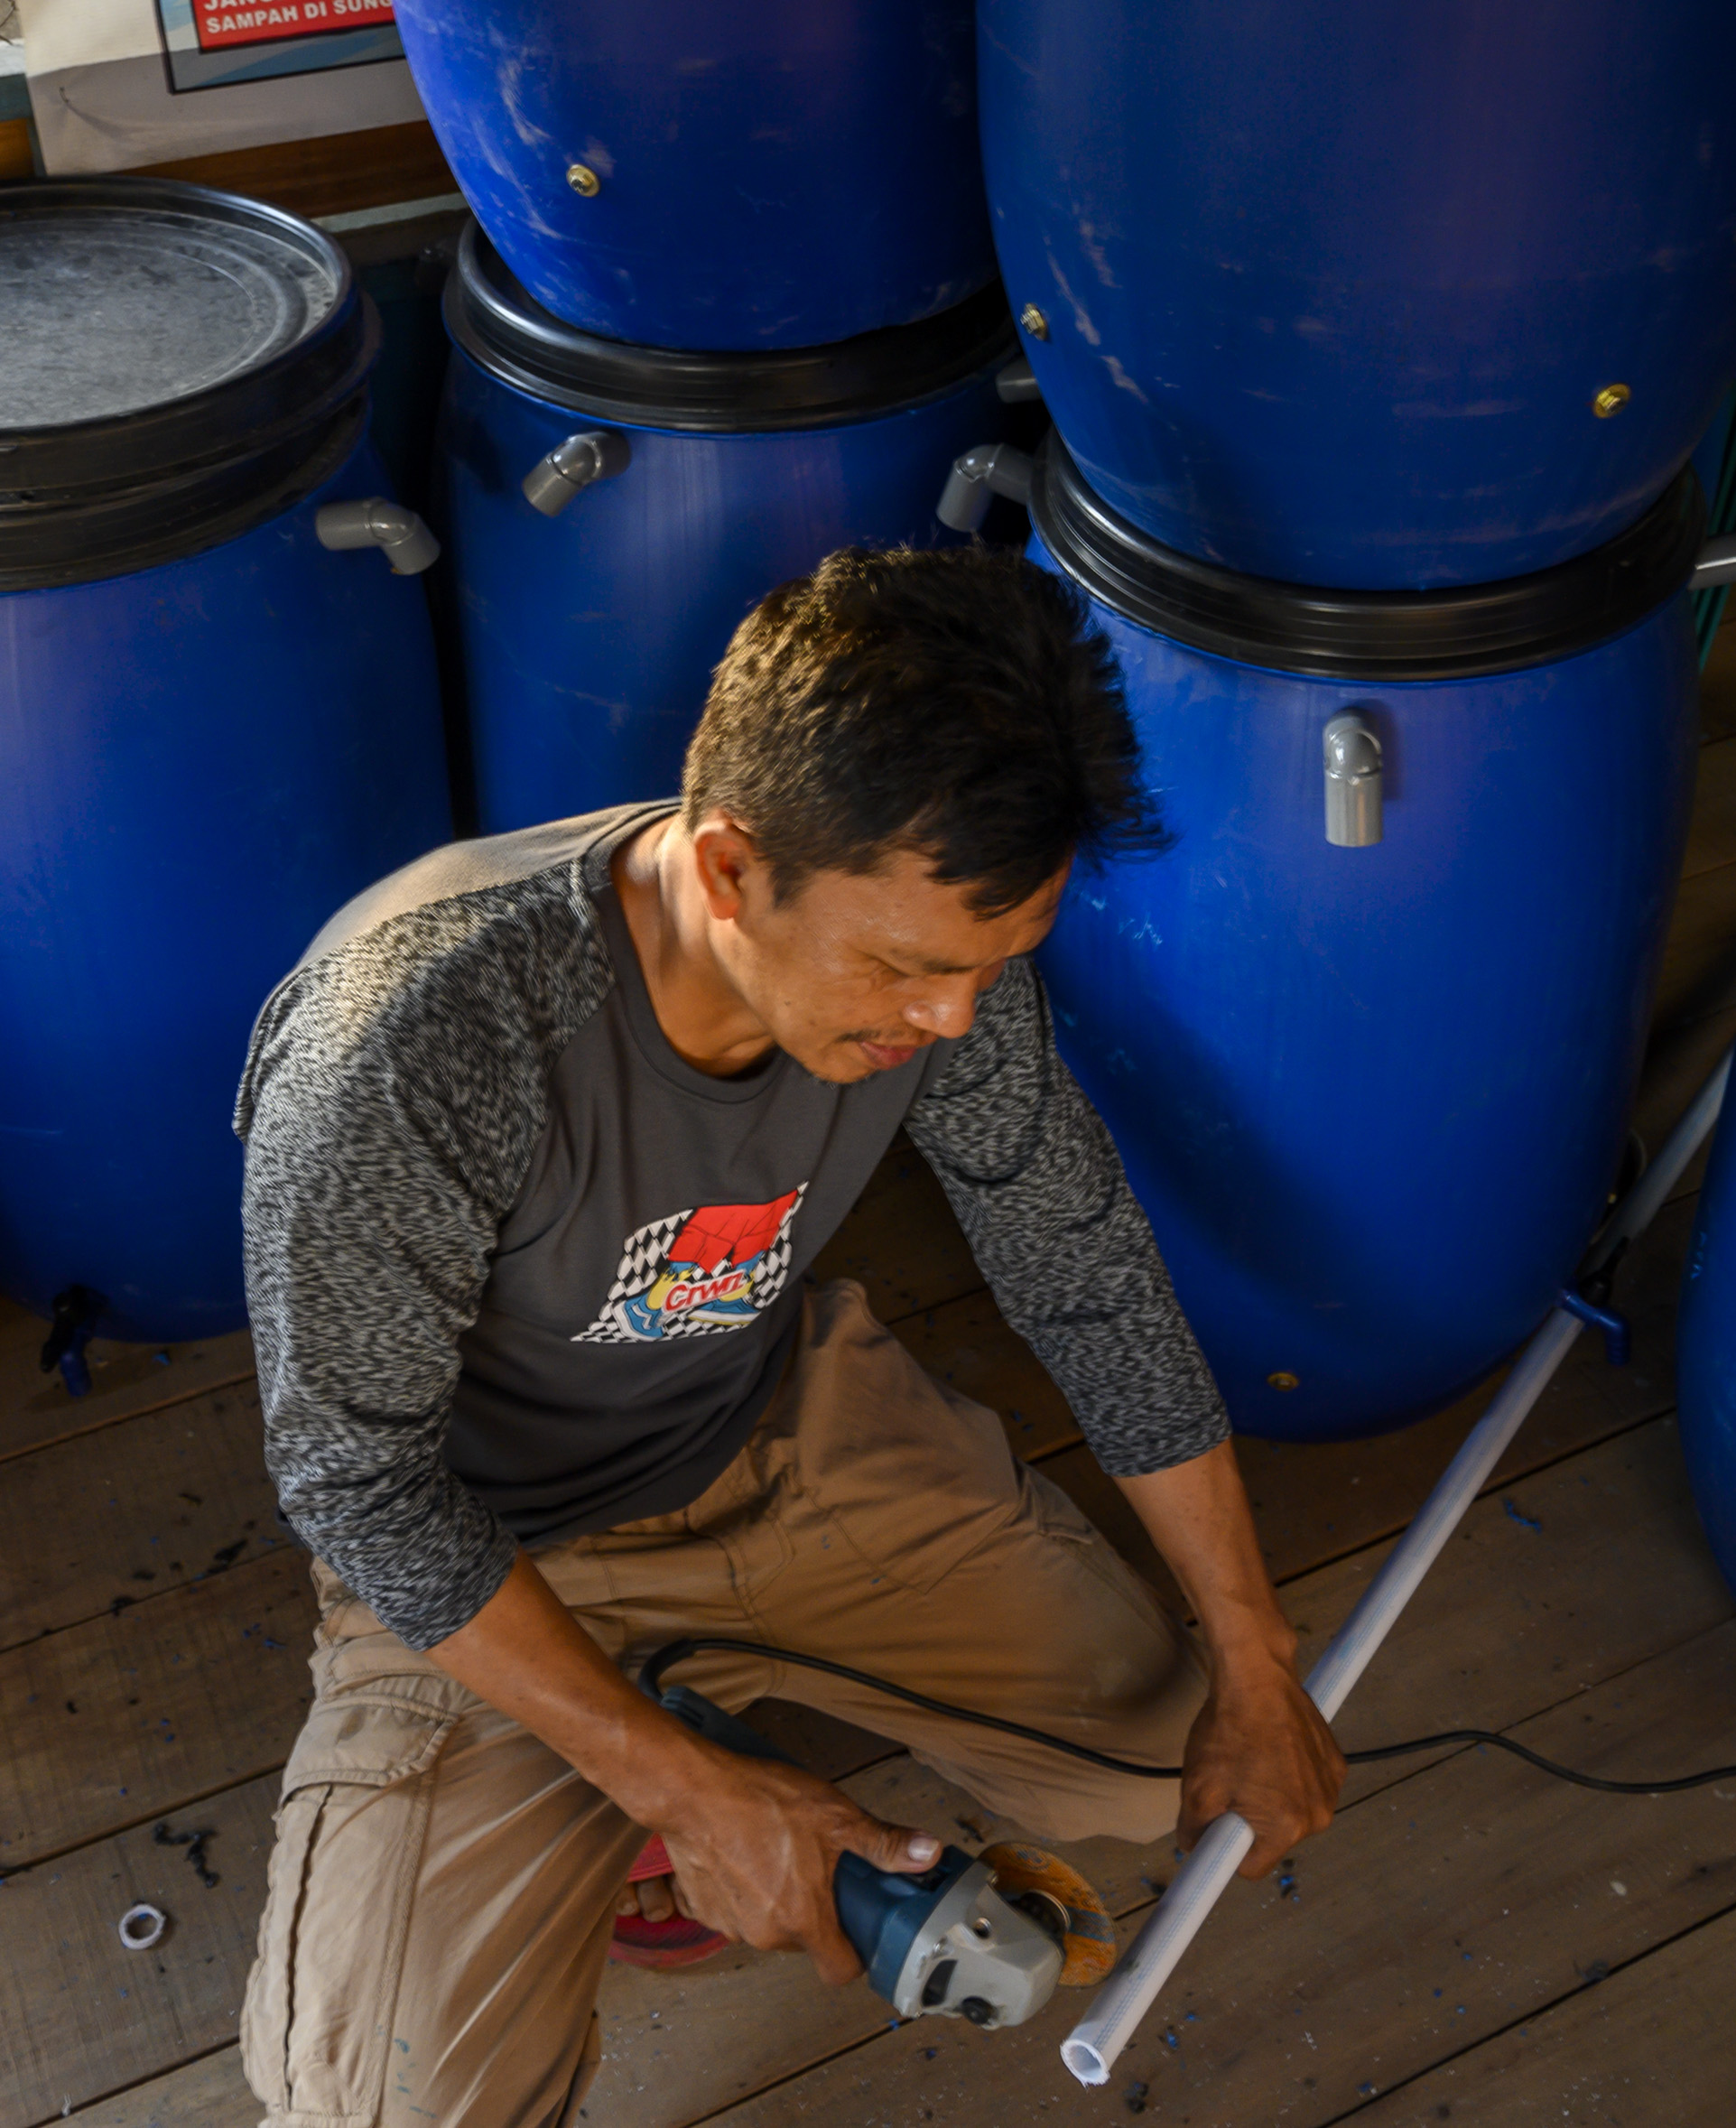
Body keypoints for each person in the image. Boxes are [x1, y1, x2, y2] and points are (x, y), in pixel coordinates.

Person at [231, 546, 1345, 2127]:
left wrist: (1254, 1649)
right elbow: (355, 1483)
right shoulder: (419, 1036)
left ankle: (694, 1727)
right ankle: (650, 1769)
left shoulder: (941, 964)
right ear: (733, 866)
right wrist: (679, 1784)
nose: (953, 1021)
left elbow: (1082, 1268)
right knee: (382, 2110)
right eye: (904, 969)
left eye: (995, 965)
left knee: (1183, 1772)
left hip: (775, 1429)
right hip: (488, 1548)